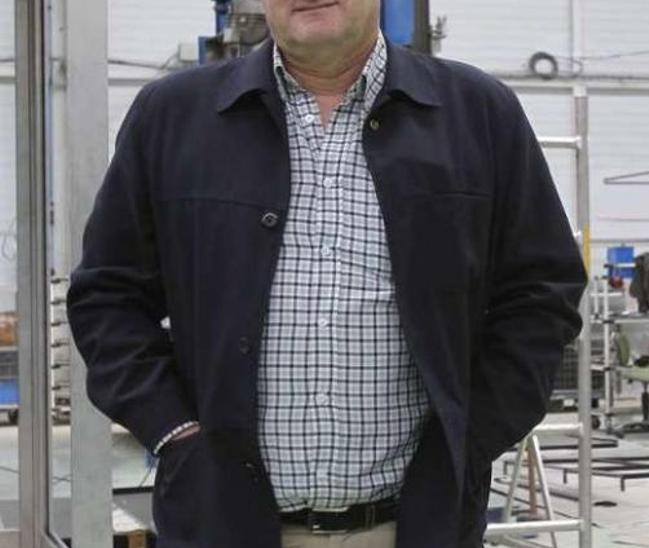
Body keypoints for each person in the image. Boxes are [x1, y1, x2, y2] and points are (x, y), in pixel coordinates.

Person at [66, 0, 586, 546]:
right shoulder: (173, 117)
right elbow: (108, 296)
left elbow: (541, 293)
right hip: (223, 525)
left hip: (414, 527)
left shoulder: (477, 114)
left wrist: (470, 438)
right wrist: (174, 433)